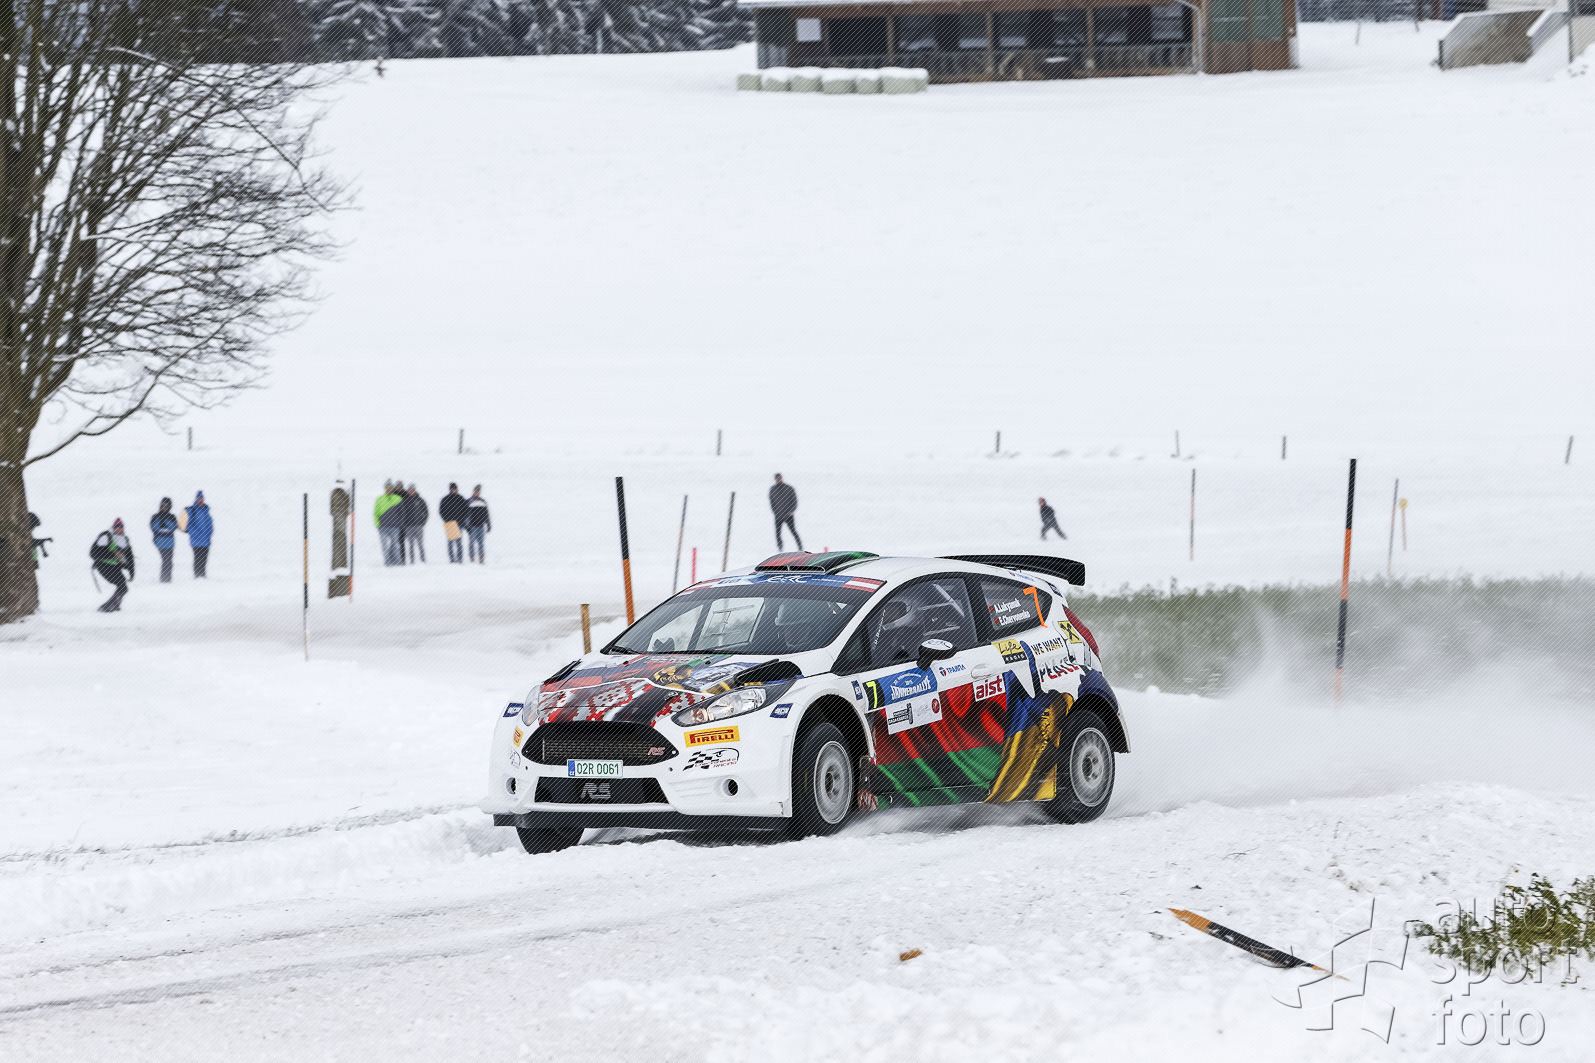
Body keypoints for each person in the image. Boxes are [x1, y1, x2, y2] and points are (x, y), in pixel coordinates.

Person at [91, 518, 135, 612]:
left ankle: (113, 606)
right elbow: (93, 553)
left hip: (115, 567)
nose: (119, 529)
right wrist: (113, 554)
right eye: (117, 527)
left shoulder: (125, 540)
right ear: (113, 527)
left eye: (121, 527)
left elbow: (129, 558)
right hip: (103, 565)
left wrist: (131, 573)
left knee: (124, 588)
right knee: (122, 586)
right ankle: (108, 607)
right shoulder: (106, 537)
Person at [374, 480, 405, 566]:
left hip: (394, 527)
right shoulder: (379, 499)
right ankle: (387, 562)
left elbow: (402, 513)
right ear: (385, 489)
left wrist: (400, 524)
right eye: (387, 488)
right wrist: (377, 524)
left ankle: (398, 562)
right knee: (384, 545)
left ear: (392, 489)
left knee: (395, 545)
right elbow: (375, 512)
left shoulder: (398, 498)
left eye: (390, 488)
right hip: (382, 527)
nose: (389, 489)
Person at [769, 473, 802, 551]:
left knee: (793, 531)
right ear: (775, 479)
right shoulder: (772, 489)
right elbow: (772, 502)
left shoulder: (789, 488)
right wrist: (775, 512)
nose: (779, 480)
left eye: (779, 478)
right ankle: (780, 549)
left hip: (788, 515)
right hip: (778, 515)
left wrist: (791, 511)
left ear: (782, 478)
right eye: (777, 478)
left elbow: (794, 501)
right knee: (778, 533)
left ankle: (800, 548)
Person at [184, 491, 215, 577]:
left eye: (202, 498)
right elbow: (189, 527)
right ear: (196, 499)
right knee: (198, 560)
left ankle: (203, 578)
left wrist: (209, 534)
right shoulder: (192, 510)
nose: (200, 500)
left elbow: (210, 525)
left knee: (204, 561)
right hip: (196, 541)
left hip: (206, 541)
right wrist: (199, 535)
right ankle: (197, 578)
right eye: (199, 498)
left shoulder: (206, 511)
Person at [149, 498, 179, 583]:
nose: (164, 507)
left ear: (169, 507)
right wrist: (159, 520)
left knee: (168, 562)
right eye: (162, 506)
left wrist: (166, 520)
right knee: (166, 560)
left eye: (166, 506)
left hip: (169, 542)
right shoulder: (155, 516)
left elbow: (173, 527)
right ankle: (164, 579)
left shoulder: (172, 517)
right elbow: (154, 528)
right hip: (160, 542)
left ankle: (167, 579)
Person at [438, 483, 468, 564]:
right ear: (450, 489)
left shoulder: (461, 498)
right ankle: (452, 560)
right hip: (450, 524)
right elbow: (441, 511)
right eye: (452, 489)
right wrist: (446, 519)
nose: (454, 490)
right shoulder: (445, 499)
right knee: (450, 543)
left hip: (459, 524)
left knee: (459, 543)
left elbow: (466, 510)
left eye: (455, 489)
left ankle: (460, 560)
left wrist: (462, 519)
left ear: (457, 489)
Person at [402, 484, 428, 564]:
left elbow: (426, 512)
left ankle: (423, 561)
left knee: (420, 544)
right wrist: (404, 523)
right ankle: (412, 562)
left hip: (418, 526)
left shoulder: (420, 500)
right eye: (410, 490)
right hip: (408, 526)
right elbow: (401, 513)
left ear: (415, 490)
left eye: (412, 490)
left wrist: (423, 522)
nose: (411, 491)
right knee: (411, 545)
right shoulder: (404, 501)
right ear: (408, 491)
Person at [465, 485, 491, 563]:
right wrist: (467, 526)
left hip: (481, 526)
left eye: (478, 491)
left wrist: (488, 524)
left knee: (481, 543)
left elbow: (486, 514)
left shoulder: (483, 501)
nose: (476, 492)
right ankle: (472, 559)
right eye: (475, 491)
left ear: (479, 492)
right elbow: (465, 515)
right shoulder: (469, 501)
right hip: (472, 526)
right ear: (473, 491)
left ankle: (481, 559)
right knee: (471, 543)